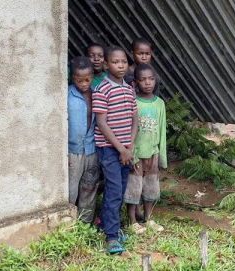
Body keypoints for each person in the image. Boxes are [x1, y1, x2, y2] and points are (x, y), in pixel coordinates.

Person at [92, 45, 138, 255]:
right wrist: (120, 149)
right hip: (109, 150)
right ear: (106, 64)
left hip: (125, 150)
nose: (120, 66)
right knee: (113, 190)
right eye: (115, 62)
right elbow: (101, 123)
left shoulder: (129, 89)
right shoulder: (102, 89)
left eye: (123, 62)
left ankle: (109, 225)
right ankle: (111, 237)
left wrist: (129, 147)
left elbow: (134, 120)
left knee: (119, 189)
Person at [123, 63, 166, 234]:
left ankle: (148, 218)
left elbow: (162, 130)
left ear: (155, 81)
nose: (147, 83)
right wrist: (131, 155)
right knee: (134, 187)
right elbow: (127, 130)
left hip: (153, 153)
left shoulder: (159, 104)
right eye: (142, 79)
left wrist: (161, 156)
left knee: (151, 187)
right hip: (137, 154)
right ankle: (132, 221)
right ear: (135, 82)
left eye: (151, 79)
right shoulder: (133, 101)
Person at [67, 56, 100, 224]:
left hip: (91, 149)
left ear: (92, 75)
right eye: (79, 80)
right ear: (73, 77)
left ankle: (85, 224)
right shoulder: (67, 95)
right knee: (71, 190)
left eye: (87, 79)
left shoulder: (97, 94)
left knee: (89, 187)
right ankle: (68, 224)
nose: (84, 84)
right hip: (73, 151)